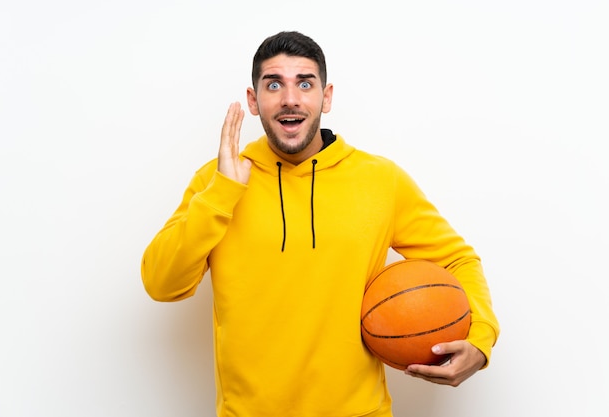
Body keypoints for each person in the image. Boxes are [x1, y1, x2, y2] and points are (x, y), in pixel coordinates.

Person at [141, 31, 499, 417]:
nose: (290, 98)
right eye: (273, 84)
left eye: (305, 84)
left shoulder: (381, 180)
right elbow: (162, 284)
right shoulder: (217, 182)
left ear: (325, 98)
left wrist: (480, 340)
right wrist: (221, 194)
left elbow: (458, 259)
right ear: (254, 100)